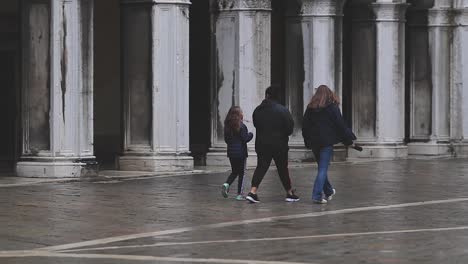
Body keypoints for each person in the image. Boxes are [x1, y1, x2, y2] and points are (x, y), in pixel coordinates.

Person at [302, 85, 356, 204]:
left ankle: (329, 191)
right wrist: (349, 139)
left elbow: (304, 126)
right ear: (329, 94)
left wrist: (307, 141)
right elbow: (340, 125)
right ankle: (316, 195)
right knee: (323, 169)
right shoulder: (332, 107)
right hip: (326, 142)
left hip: (314, 143)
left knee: (321, 168)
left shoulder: (310, 108)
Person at [245, 85, 299, 203]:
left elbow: (256, 124)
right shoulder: (282, 110)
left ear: (267, 95)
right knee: (282, 169)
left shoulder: (258, 110)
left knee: (261, 167)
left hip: (262, 143)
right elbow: (289, 128)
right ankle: (289, 193)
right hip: (279, 144)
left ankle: (253, 191)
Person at [222, 106, 254, 201]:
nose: (243, 114)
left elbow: (226, 140)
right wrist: (251, 134)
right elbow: (245, 139)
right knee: (242, 174)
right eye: (242, 112)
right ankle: (239, 194)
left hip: (231, 153)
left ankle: (227, 184)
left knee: (234, 171)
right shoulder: (242, 126)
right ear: (238, 114)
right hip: (241, 153)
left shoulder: (227, 126)